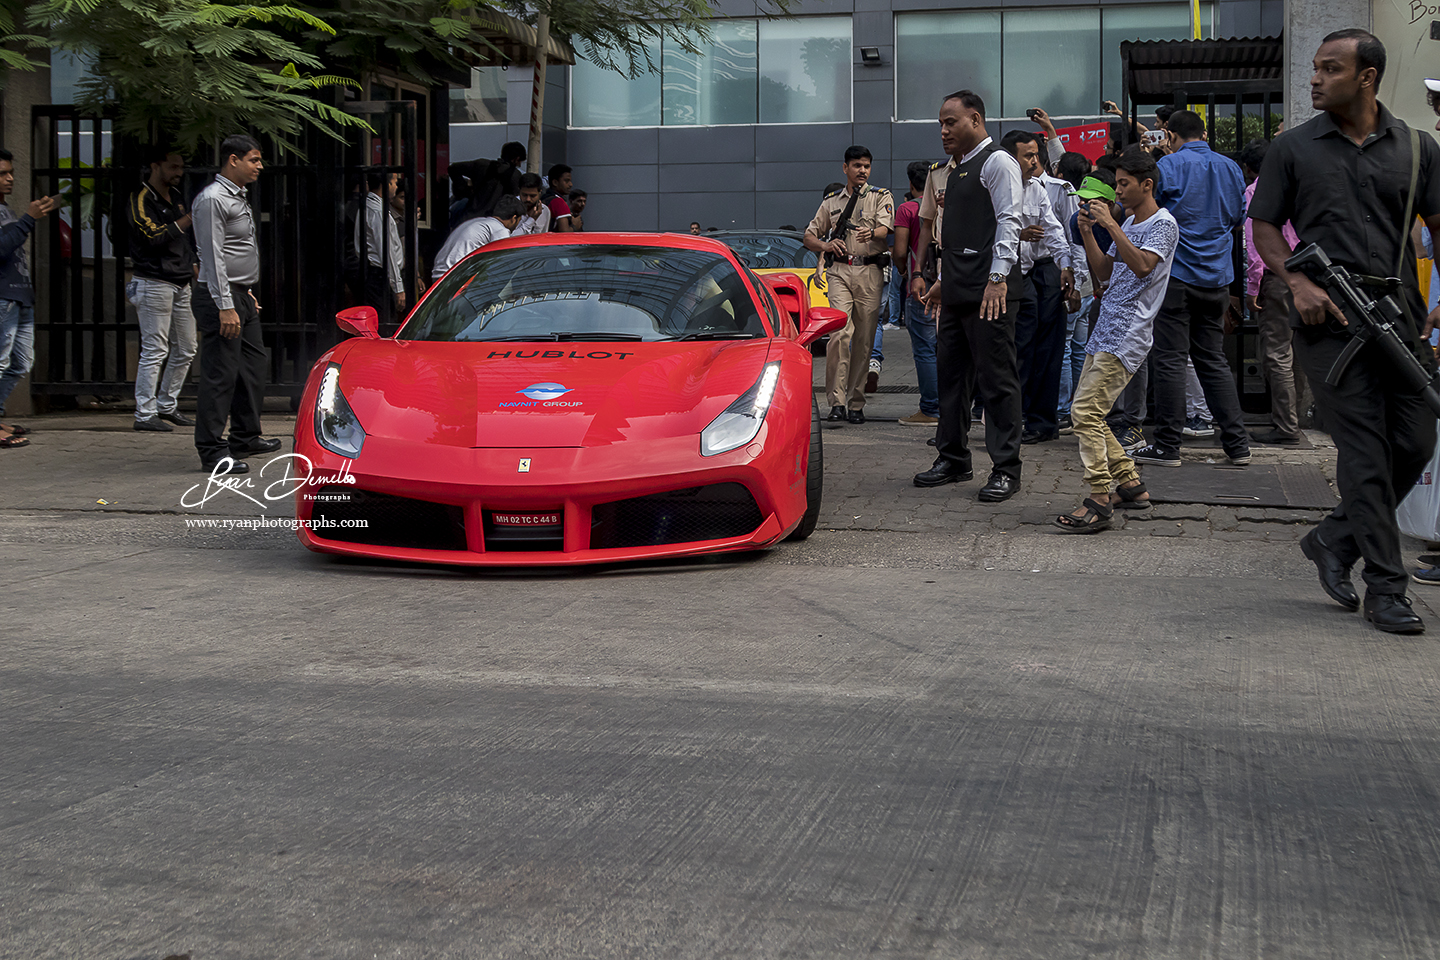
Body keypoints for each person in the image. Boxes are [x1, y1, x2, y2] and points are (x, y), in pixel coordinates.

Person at [1252, 30, 1440, 633]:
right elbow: (1264, 229)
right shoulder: (1293, 148)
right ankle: (1387, 586)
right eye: (1314, 68)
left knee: (1414, 440)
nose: (1314, 78)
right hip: (1329, 321)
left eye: (1330, 69)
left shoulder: (1417, 147)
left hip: (1400, 316)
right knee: (1364, 449)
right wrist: (1298, 284)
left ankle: (1335, 538)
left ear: (1368, 77)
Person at [911, 90, 1026, 503]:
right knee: (951, 379)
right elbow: (953, 236)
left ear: (975, 119)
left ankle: (1006, 468)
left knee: (997, 382)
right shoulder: (954, 169)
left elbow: (1011, 221)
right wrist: (942, 278)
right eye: (940, 123)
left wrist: (998, 278)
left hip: (990, 293)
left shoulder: (997, 162)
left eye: (951, 122)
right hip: (957, 290)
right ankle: (954, 458)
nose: (943, 131)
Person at [1055, 148, 1178, 532]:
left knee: (1085, 413)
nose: (1118, 191)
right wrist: (1090, 232)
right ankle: (1130, 483)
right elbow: (1106, 271)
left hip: (1128, 333)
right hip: (1106, 327)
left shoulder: (1163, 223)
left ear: (1147, 185)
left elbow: (1142, 267)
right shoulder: (1127, 222)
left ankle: (1100, 496)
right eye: (1117, 183)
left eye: (1124, 184)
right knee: (1087, 410)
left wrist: (1111, 226)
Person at [1130, 108, 1249, 469]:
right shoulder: (1231, 168)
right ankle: (1237, 444)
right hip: (1217, 277)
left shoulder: (1168, 167)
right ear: (1204, 133)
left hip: (1177, 275)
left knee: (1170, 359)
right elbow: (1237, 219)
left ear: (1169, 136)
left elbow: (1154, 213)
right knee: (1212, 359)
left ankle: (1167, 445)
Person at [192, 133, 282, 476]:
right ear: (234, 160)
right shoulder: (213, 199)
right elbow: (212, 256)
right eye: (254, 159)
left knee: (252, 369)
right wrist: (225, 303)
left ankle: (245, 436)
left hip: (239, 294)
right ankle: (212, 450)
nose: (259, 166)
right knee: (220, 376)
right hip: (221, 297)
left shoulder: (236, 196)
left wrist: (242, 292)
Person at [802, 146, 894, 424]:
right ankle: (836, 402)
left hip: (869, 272)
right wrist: (825, 244)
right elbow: (809, 235)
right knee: (840, 335)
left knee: (864, 340)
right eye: (857, 166)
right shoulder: (831, 202)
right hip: (840, 271)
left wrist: (873, 231)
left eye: (866, 166)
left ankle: (856, 402)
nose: (862, 171)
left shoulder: (881, 196)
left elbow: (886, 228)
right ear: (845, 168)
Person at [1001, 131, 1073, 445]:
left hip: (1039, 274)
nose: (1035, 161)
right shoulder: (992, 187)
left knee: (1047, 351)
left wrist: (1066, 266)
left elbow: (1055, 230)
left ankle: (1042, 423)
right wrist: (1018, 236)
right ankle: (1010, 421)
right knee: (1016, 352)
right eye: (1027, 156)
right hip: (1004, 277)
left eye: (1036, 155)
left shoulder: (1038, 189)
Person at [1239, 137, 1304, 445]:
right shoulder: (1298, 186)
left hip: (1276, 276)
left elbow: (1256, 247)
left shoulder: (1256, 191)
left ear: (1249, 168)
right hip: (1307, 275)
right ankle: (1297, 418)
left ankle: (1286, 426)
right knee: (1297, 350)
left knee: (1276, 352)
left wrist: (1253, 287)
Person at [127, 148, 198, 433]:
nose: (178, 172)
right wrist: (188, 219)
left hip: (179, 281)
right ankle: (144, 413)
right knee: (155, 349)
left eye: (180, 167)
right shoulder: (140, 199)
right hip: (154, 280)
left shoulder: (176, 197)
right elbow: (153, 236)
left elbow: (182, 241)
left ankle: (166, 405)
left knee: (187, 348)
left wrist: (192, 263)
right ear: (155, 166)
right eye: (173, 166)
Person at [0, 148, 59, 448]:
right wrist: (28, 219)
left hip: (18, 296)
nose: (9, 178)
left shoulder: (5, 209)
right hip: (2, 297)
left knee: (21, 362)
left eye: (10, 172)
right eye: (2, 174)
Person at [893, 160, 938, 426]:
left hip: (920, 286)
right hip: (948, 281)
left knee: (924, 351)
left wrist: (904, 271)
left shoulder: (907, 209)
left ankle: (930, 409)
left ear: (911, 184)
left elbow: (900, 252)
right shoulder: (945, 204)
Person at [355, 169, 405, 329]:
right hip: (381, 275)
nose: (396, 186)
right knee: (385, 325)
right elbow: (387, 252)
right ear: (386, 183)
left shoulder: (367, 207)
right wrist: (398, 288)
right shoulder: (377, 211)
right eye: (395, 182)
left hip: (374, 273)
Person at [431, 195, 524, 281]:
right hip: (454, 278)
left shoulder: (477, 222)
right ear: (514, 218)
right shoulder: (500, 229)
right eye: (518, 221)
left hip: (438, 274)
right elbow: (502, 263)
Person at [448, 141, 524, 226]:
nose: (520, 165)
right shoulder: (515, 175)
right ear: (516, 159)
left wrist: (464, 190)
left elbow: (453, 168)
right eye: (519, 162)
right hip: (493, 222)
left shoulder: (482, 165)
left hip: (469, 218)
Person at [543, 165, 575, 232]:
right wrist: (575, 226)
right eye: (566, 181)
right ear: (555, 182)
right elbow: (564, 233)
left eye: (570, 181)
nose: (570, 184)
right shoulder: (558, 202)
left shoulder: (544, 198)